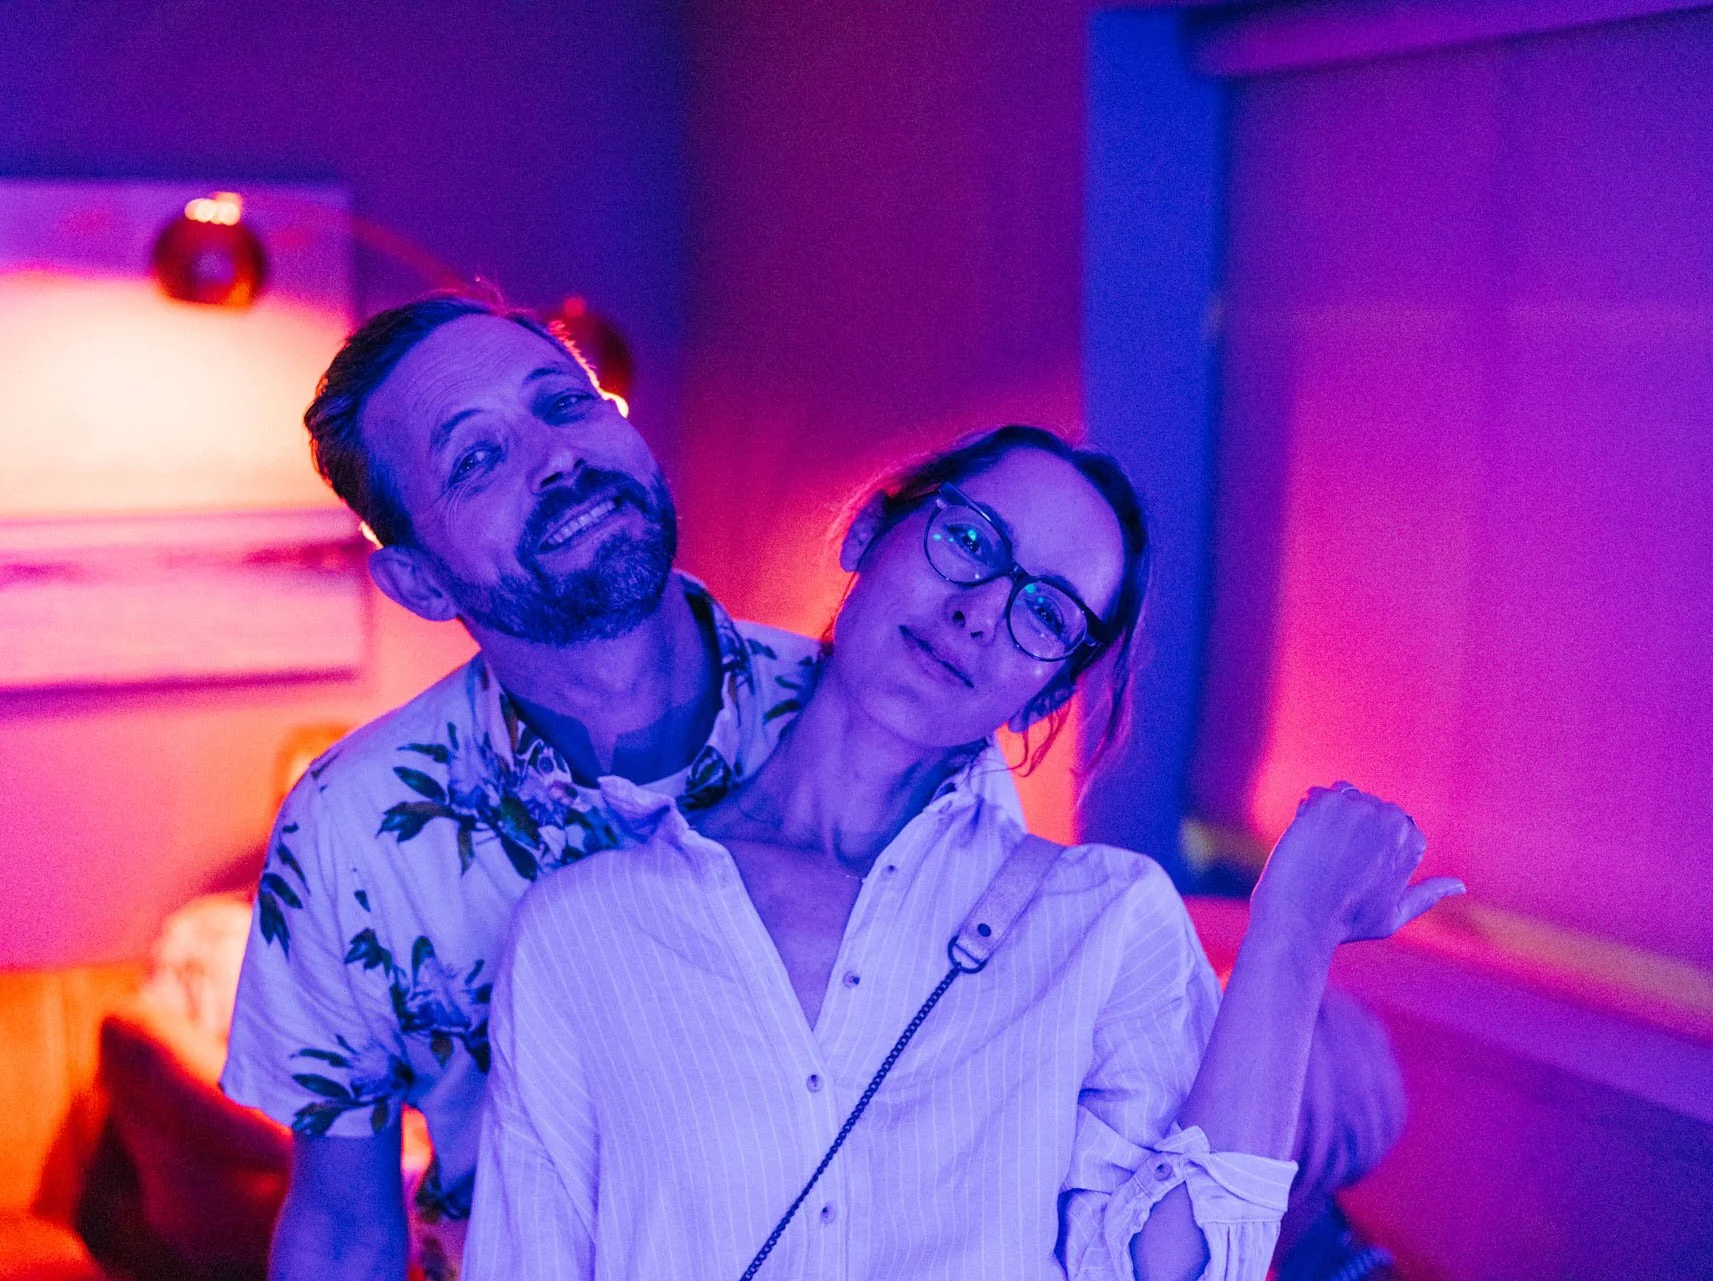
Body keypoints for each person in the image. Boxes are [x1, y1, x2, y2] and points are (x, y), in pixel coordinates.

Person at [465, 426, 1463, 1280]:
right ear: (871, 532)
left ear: (1042, 694)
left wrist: (1293, 931)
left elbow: (1178, 1271)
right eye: (971, 540)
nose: (981, 608)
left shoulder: (1102, 919)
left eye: (1045, 615)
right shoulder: (585, 928)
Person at [218, 291, 946, 1279]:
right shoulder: (350, 831)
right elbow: (344, 1226)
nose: (556, 458)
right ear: (423, 584)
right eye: (475, 457)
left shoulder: (881, 722)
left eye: (564, 405)